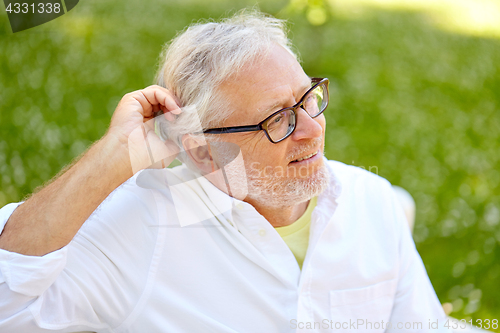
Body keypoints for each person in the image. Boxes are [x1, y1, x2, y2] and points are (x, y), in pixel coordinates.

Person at [0, 11, 449, 332]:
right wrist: (113, 155)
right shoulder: (141, 229)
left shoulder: (370, 202)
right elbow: (8, 304)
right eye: (278, 119)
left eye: (307, 97)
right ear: (202, 151)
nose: (312, 130)